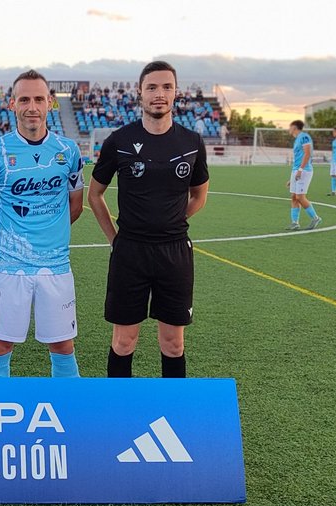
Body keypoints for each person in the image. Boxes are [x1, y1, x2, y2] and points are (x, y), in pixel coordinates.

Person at [87, 60, 209, 379]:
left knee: (173, 344)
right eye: (152, 87)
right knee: (124, 342)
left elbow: (199, 195)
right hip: (131, 253)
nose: (159, 94)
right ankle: (118, 415)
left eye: (166, 87)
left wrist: (171, 221)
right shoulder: (119, 140)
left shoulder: (192, 142)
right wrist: (116, 239)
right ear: (139, 93)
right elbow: (95, 195)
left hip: (175, 253)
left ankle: (172, 415)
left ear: (176, 93)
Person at [0, 70, 84, 378]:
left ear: (50, 103)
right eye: (24, 99)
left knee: (63, 345)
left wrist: (50, 235)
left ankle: (69, 413)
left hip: (56, 266)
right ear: (12, 104)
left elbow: (75, 206)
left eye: (39, 99)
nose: (31, 106)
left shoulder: (68, 151)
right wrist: (9, 238)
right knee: (0, 345)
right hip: (9, 267)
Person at [286, 120, 321, 230]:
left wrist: (300, 170)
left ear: (294, 127)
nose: (289, 129)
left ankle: (315, 218)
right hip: (296, 170)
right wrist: (292, 177)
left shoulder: (304, 137)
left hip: (304, 170)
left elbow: (307, 153)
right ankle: (295, 222)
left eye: (290, 127)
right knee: (293, 197)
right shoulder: (297, 139)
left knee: (300, 197)